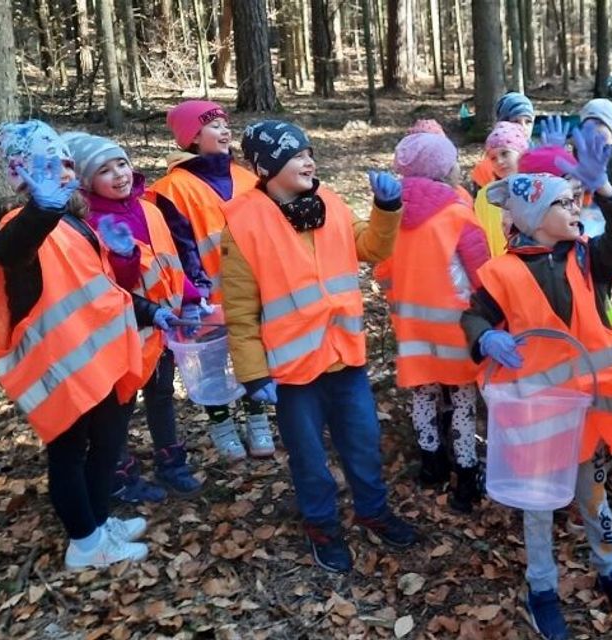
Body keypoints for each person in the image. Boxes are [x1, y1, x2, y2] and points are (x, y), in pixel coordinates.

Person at [460, 125, 612, 640]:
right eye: (563, 204)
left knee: (594, 500)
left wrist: (607, 190)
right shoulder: (500, 272)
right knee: (538, 509)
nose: (574, 210)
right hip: (536, 414)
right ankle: (542, 586)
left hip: (587, 411)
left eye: (575, 201)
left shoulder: (589, 258)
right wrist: (484, 339)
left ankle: (611, 568)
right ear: (536, 219)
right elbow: (474, 316)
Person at [221, 120, 417, 573]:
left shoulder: (328, 201)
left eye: (310, 151)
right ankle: (322, 526)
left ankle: (373, 510)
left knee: (364, 443)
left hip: (344, 357)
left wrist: (387, 207)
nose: (310, 160)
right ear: (267, 168)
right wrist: (253, 373)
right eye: (296, 155)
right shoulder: (243, 222)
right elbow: (240, 310)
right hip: (293, 373)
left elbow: (371, 246)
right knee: (309, 457)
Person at [0, 121, 166, 569]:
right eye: (47, 166)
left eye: (66, 163)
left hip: (97, 361)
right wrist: (41, 209)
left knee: (106, 444)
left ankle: (98, 520)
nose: (62, 173)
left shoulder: (72, 219)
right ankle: (85, 544)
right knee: (70, 452)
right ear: (21, 174)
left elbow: (100, 291)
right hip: (61, 368)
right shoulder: (22, 221)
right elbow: (9, 250)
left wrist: (151, 312)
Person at [63, 132, 204, 502]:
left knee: (160, 393)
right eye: (104, 171)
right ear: (84, 181)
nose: (119, 175)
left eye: (121, 163)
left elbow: (169, 261)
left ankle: (170, 458)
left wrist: (191, 297)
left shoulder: (150, 208)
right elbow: (108, 283)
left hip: (163, 326)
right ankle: (119, 469)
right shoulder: (87, 222)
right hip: (122, 328)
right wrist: (124, 256)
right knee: (120, 402)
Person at [146, 100, 275, 462]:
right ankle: (222, 424)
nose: (225, 130)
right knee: (213, 365)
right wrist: (193, 293)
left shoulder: (251, 179)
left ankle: (257, 419)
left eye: (225, 123)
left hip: (253, 292)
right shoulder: (171, 190)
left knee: (254, 356)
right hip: (206, 299)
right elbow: (176, 247)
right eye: (213, 125)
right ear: (192, 137)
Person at [379, 127, 490, 512]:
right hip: (455, 327)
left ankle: (431, 466)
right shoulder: (458, 214)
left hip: (411, 328)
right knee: (461, 399)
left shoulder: (389, 216)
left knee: (423, 393)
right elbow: (482, 272)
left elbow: (382, 269)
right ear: (444, 171)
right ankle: (466, 476)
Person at [474, 121, 530, 256]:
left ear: (521, 153)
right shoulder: (485, 196)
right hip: (497, 266)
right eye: (493, 158)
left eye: (505, 154)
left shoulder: (537, 188)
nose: (499, 161)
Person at [469, 92, 537, 193]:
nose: (523, 128)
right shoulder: (485, 169)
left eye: (528, 121)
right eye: (516, 121)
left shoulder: (540, 157)